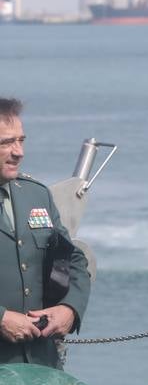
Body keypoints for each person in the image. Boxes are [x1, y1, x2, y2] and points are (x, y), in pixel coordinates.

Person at [0, 98, 91, 366]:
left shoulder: (36, 195)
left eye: (21, 140)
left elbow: (72, 260)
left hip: (41, 365)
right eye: (6, 143)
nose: (19, 152)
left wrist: (70, 308)